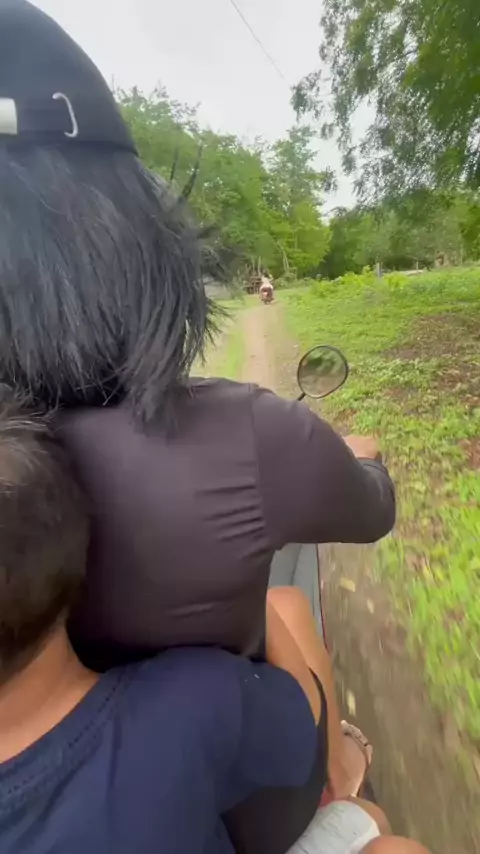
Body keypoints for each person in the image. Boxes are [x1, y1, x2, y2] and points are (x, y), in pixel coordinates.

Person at [0, 4, 395, 850]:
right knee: (289, 614)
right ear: (127, 228)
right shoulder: (248, 435)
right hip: (246, 796)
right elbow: (374, 511)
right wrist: (360, 462)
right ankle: (345, 766)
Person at [0, 398, 429, 854]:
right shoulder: (187, 702)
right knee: (388, 839)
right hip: (281, 753)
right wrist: (246, 596)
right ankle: (343, 767)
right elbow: (300, 726)